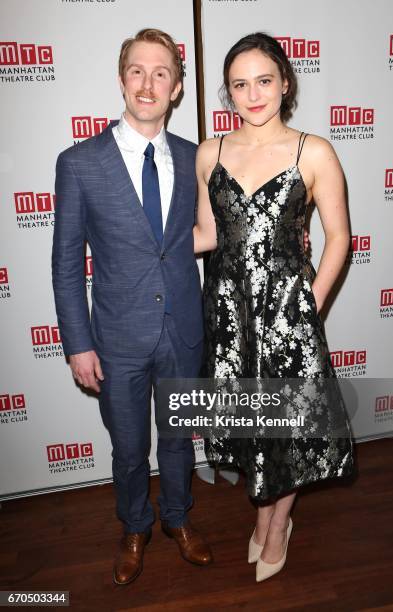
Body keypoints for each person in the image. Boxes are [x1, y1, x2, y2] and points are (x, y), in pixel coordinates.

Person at [52, 28, 212, 586]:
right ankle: (135, 526)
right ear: (123, 79)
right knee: (128, 446)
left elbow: (215, 232)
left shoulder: (197, 158)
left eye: (162, 73)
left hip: (183, 332)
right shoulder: (78, 163)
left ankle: (177, 518)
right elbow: (67, 263)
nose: (149, 83)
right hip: (116, 338)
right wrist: (78, 343)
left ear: (176, 88)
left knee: (177, 440)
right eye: (138, 71)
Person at [194, 32, 354, 582]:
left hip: (288, 313)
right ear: (228, 93)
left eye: (264, 80)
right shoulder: (209, 152)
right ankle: (266, 520)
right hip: (231, 315)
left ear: (285, 83)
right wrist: (133, 241)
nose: (253, 94)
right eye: (240, 84)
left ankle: (275, 525)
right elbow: (207, 233)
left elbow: (339, 237)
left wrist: (308, 303)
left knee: (284, 427)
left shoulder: (315, 151)